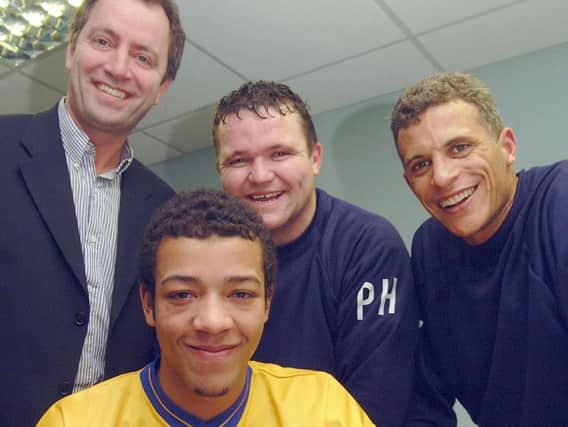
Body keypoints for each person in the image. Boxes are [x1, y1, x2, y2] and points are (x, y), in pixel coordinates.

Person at [36, 189, 375, 426]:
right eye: (182, 295)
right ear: (148, 305)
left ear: (267, 303)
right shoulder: (74, 421)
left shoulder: (324, 409)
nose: (213, 322)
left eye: (240, 294)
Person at [0, 0, 186, 425]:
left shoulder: (168, 211)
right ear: (71, 50)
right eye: (103, 41)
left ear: (161, 88)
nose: (119, 68)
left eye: (142, 57)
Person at [212, 81, 419, 426]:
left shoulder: (366, 246)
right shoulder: (205, 257)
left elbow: (372, 409)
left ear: (315, 158)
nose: (261, 175)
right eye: (238, 160)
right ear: (220, 171)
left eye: (280, 153)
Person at [391, 72, 568, 426]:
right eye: (421, 164)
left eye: (459, 148)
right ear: (410, 184)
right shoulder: (430, 249)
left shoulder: (559, 202)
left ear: (507, 147)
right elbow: (427, 386)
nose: (441, 177)